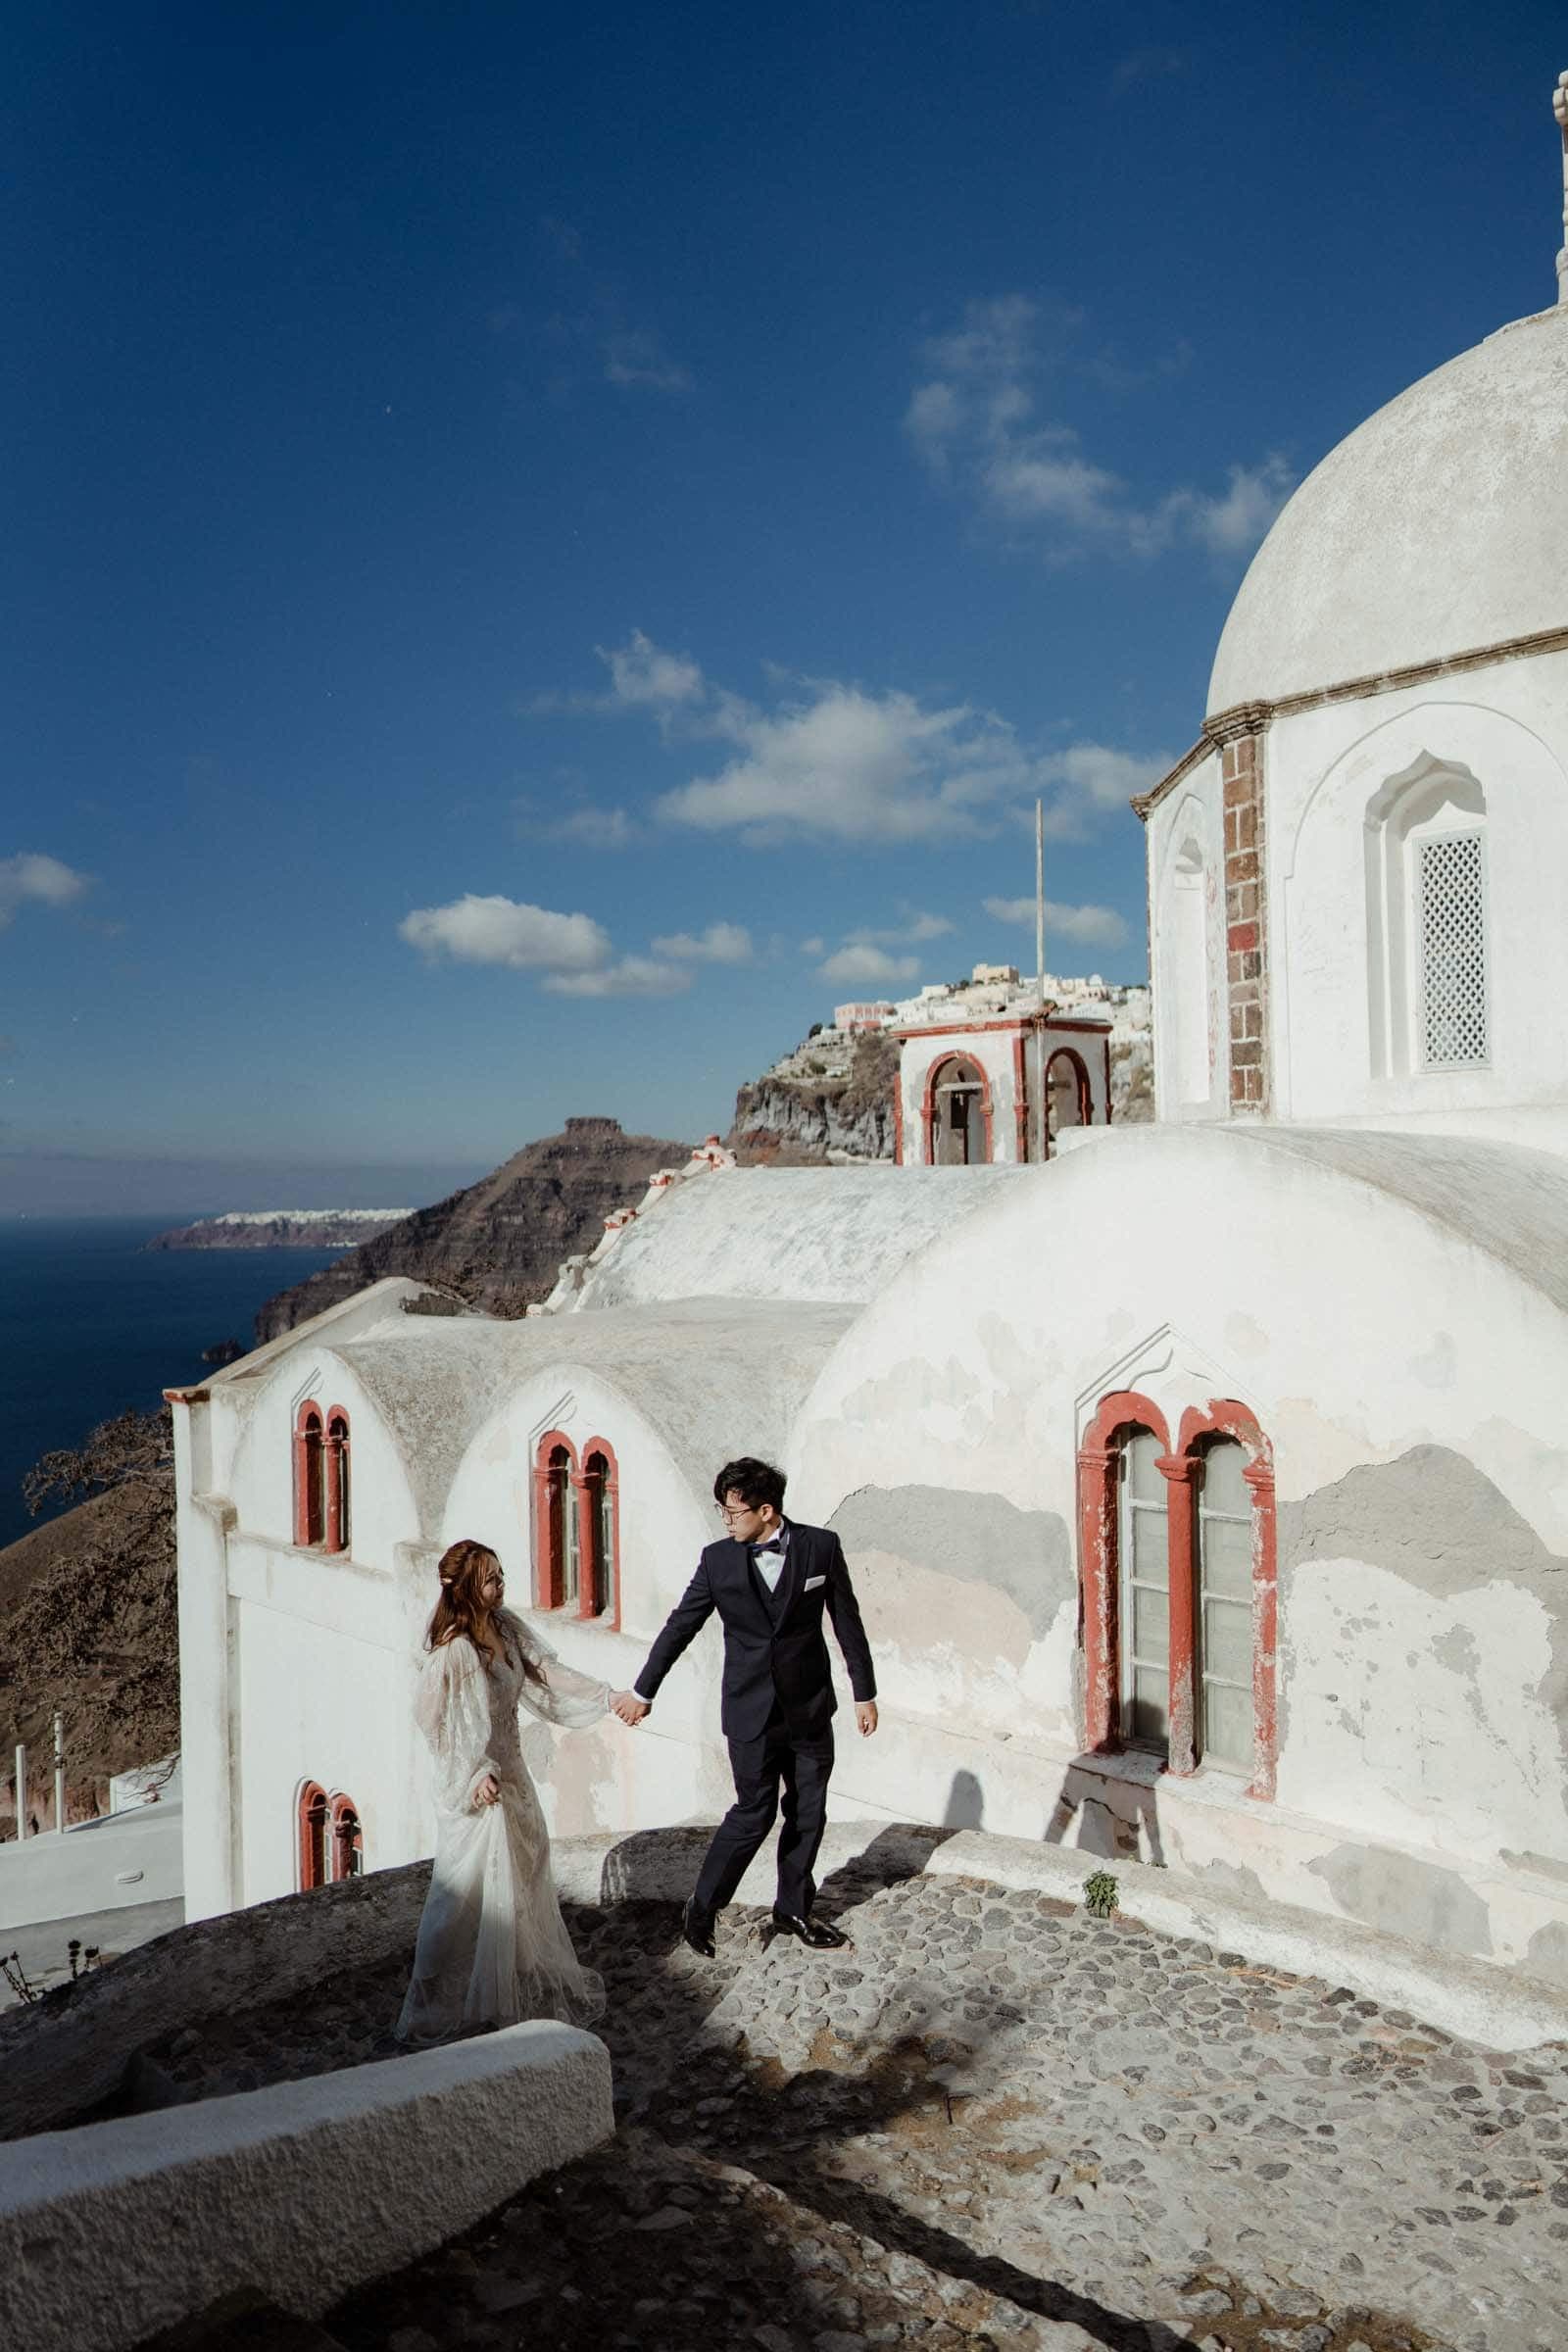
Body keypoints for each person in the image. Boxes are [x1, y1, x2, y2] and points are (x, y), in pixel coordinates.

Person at [613, 1457, 877, 1955]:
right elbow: (679, 1627)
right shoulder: (717, 1561)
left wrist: (864, 1693)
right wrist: (642, 1692)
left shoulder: (822, 1547)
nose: (726, 1520)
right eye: (722, 1511)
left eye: (732, 1511)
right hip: (749, 1711)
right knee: (753, 1812)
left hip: (809, 1706)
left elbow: (847, 1622)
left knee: (809, 1810)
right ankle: (704, 1905)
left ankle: (794, 1907)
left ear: (766, 1510)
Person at [396, 1537, 615, 2043]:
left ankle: (508, 1987)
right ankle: (433, 2000)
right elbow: (432, 1722)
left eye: (501, 1574)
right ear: (467, 1586)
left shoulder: (506, 1629)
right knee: (463, 1892)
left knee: (525, 1871)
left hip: (513, 1773)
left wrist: (607, 1696)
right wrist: (473, 1772)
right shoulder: (452, 1652)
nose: (500, 1583)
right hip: (475, 1786)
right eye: (490, 1576)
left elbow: (546, 1672)